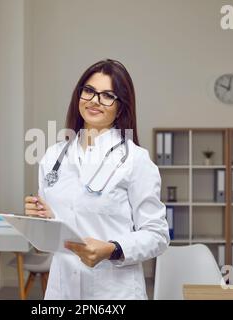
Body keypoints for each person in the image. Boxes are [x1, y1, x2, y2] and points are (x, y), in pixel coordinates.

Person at [24, 59, 169, 299]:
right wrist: (39, 218)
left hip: (113, 292)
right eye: (89, 91)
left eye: (107, 95)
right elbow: (51, 236)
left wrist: (112, 249)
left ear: (121, 107)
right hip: (62, 290)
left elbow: (158, 235)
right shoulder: (53, 156)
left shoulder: (136, 160)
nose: (94, 100)